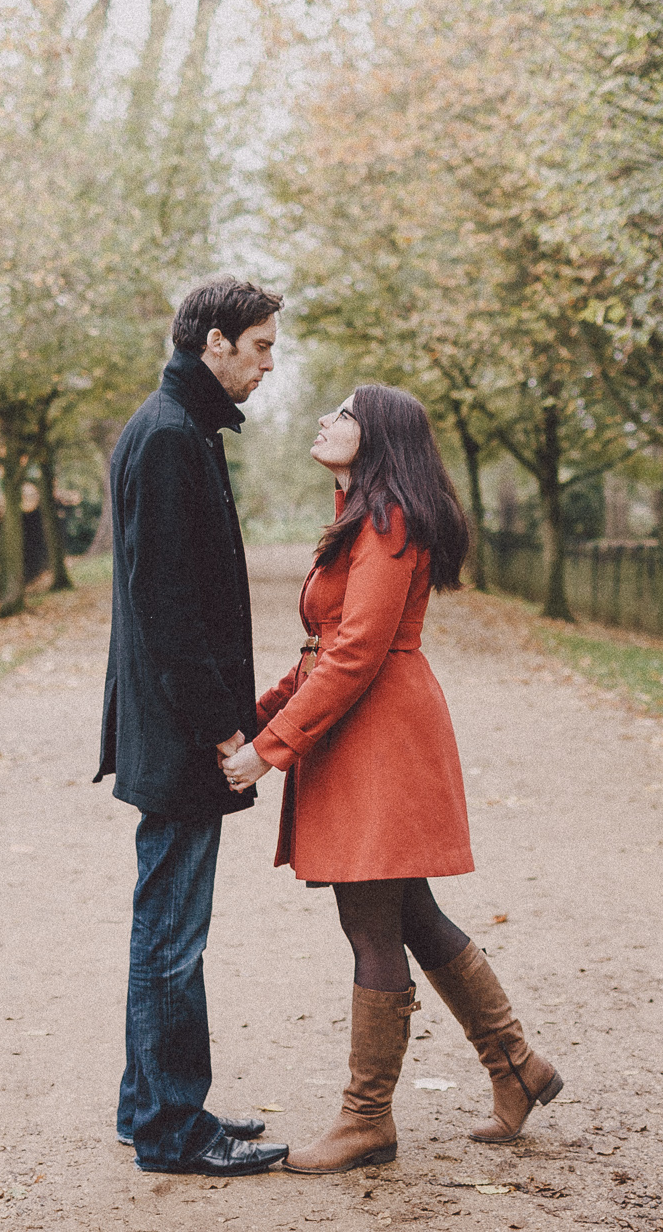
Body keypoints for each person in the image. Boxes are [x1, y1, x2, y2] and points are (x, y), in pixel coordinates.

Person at [221, 383, 564, 1174]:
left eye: (341, 413)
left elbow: (356, 653)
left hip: (379, 737)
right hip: (367, 728)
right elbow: (325, 646)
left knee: (372, 926)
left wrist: (268, 749)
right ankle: (516, 1064)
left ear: (377, 436)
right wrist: (259, 711)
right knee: (411, 912)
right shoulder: (364, 517)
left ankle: (366, 1119)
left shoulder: (389, 521)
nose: (323, 418)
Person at [94, 275, 290, 1177]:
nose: (268, 364)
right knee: (175, 933)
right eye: (259, 348)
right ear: (215, 342)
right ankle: (175, 1129)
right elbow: (168, 604)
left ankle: (151, 1108)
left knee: (160, 923)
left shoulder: (173, 424)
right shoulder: (173, 437)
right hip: (180, 734)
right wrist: (224, 731)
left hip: (165, 725)